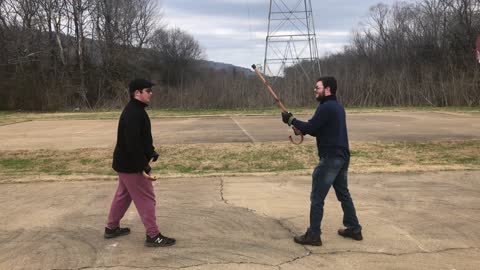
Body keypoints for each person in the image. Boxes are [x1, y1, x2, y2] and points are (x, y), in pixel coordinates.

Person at [281, 76, 362, 246]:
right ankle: (354, 228)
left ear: (328, 89)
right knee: (343, 194)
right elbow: (317, 129)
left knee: (317, 197)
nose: (315, 90)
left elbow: (310, 127)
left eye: (317, 87)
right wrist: (298, 127)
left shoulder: (326, 107)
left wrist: (290, 120)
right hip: (342, 156)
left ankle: (313, 235)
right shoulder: (337, 107)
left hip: (331, 158)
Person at [104, 78, 176, 247]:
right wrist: (144, 166)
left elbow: (141, 138)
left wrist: (150, 151)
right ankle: (153, 235)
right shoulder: (133, 113)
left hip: (125, 163)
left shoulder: (136, 110)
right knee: (147, 198)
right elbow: (132, 144)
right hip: (131, 165)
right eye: (148, 90)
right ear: (137, 93)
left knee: (123, 196)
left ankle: (111, 228)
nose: (151, 93)